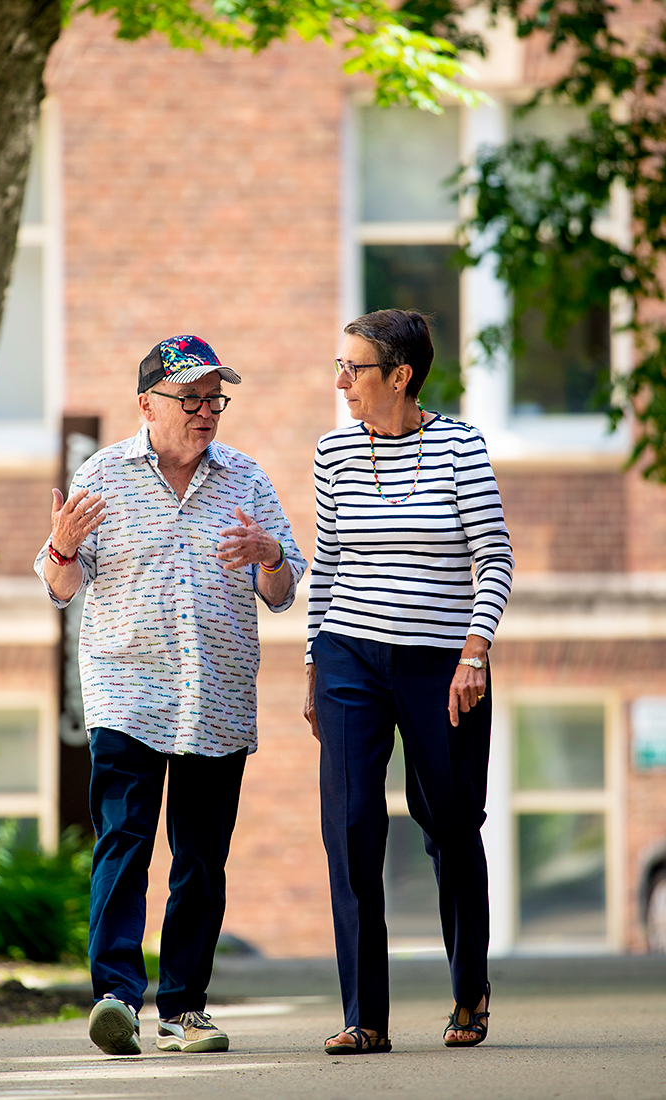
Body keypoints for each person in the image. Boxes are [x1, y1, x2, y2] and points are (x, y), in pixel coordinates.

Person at [35, 335, 306, 1057]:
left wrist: (269, 556)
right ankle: (116, 996)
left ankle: (185, 1008)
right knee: (125, 842)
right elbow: (60, 587)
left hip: (215, 698)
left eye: (214, 397)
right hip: (127, 693)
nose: (206, 410)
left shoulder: (244, 478)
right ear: (146, 405)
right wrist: (61, 546)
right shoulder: (102, 475)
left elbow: (282, 593)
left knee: (201, 860)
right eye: (190, 397)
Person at [303, 309, 514, 1054]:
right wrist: (311, 662)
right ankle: (365, 1017)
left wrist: (475, 651)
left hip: (441, 665)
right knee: (353, 827)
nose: (340, 383)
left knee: (451, 825)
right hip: (349, 657)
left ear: (401, 376)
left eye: (353, 369)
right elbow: (326, 565)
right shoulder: (332, 453)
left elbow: (494, 557)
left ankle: (468, 992)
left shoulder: (459, 446)